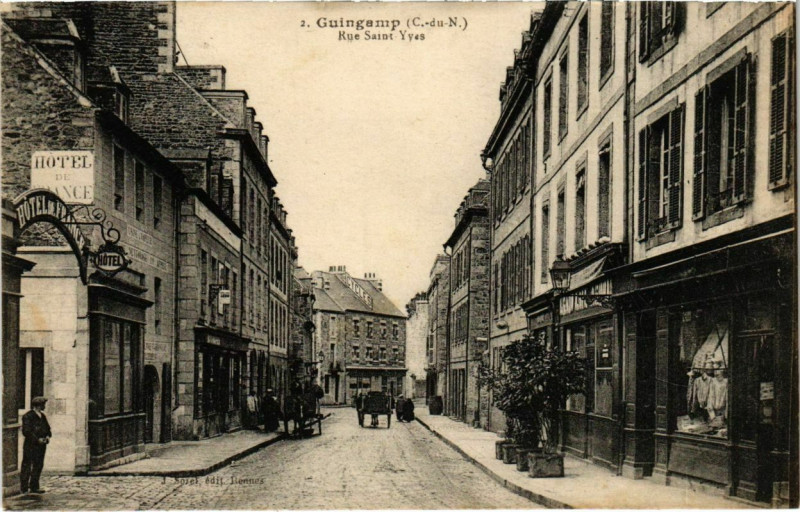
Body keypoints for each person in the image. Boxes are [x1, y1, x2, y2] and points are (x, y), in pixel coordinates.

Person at [21, 396, 51, 495]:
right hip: (31, 445)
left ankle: (34, 486)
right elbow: (26, 432)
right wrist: (37, 440)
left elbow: (47, 428)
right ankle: (24, 488)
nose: (44, 406)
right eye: (43, 405)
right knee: (27, 465)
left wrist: (47, 437)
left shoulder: (42, 416)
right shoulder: (27, 416)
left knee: (38, 465)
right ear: (38, 405)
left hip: (41, 446)